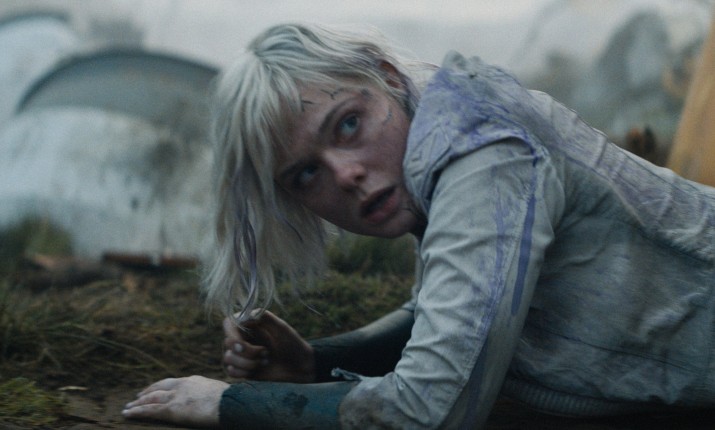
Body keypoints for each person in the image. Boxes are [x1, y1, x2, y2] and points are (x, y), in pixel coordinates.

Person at [121, 22, 715, 429]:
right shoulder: (433, 131)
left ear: (385, 75)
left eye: (347, 124)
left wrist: (231, 405)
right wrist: (314, 363)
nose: (346, 174)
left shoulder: (481, 156)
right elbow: (449, 311)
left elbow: (430, 409)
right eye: (305, 174)